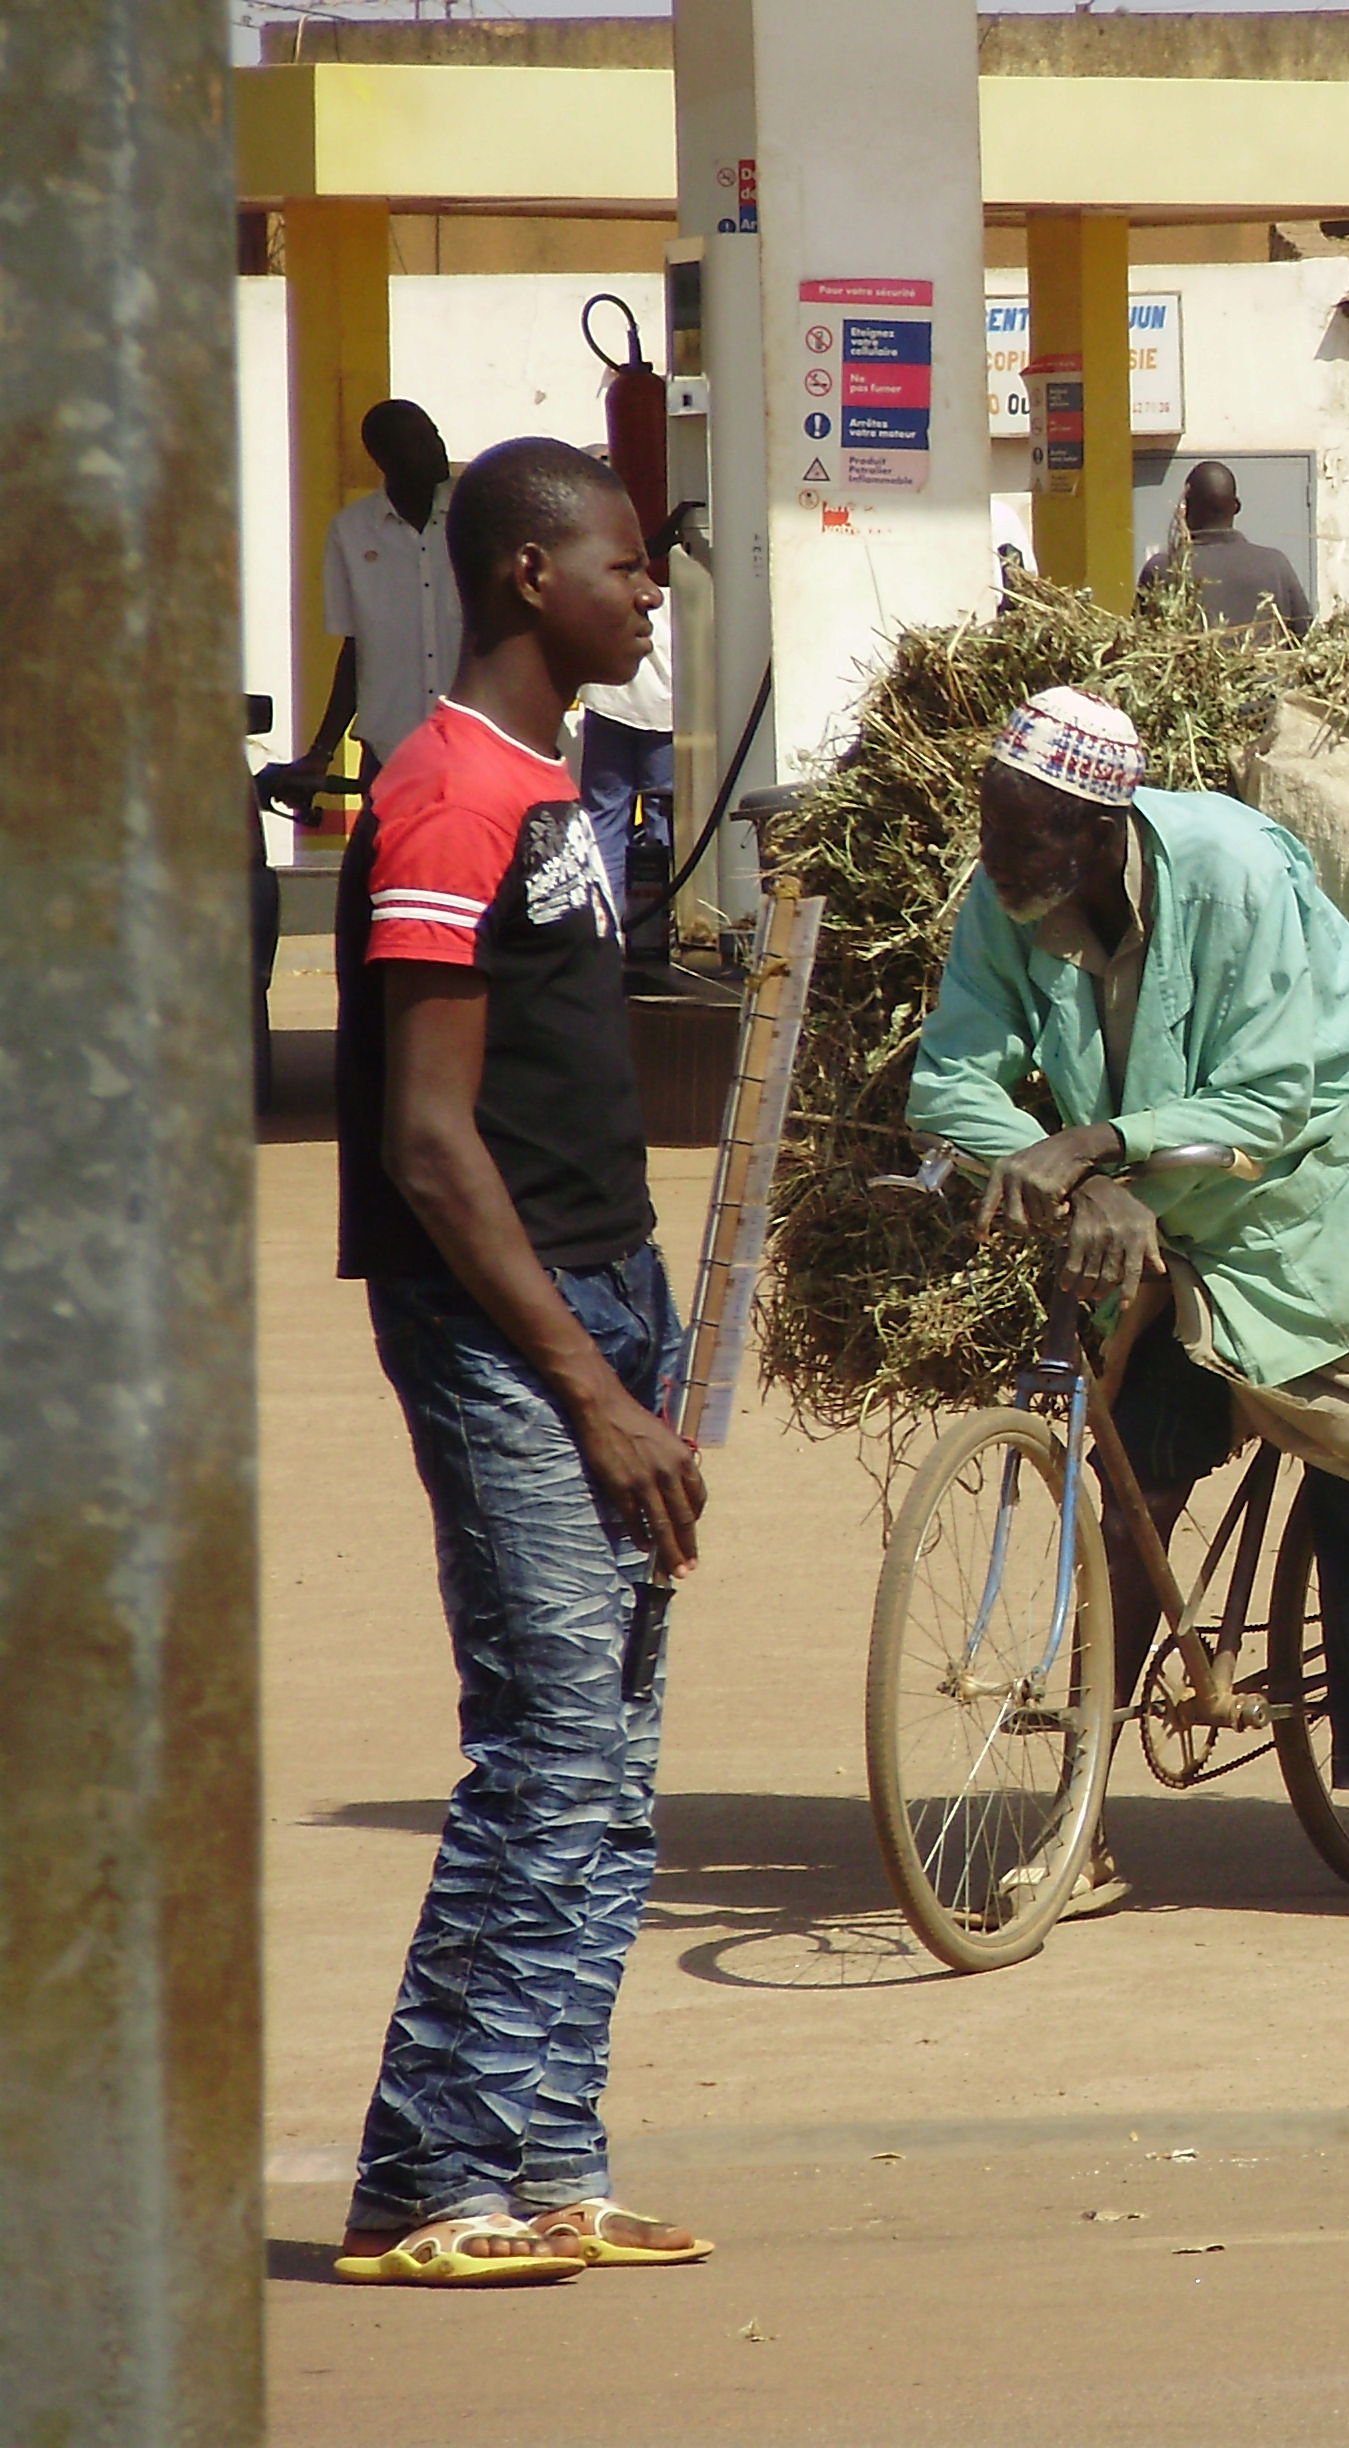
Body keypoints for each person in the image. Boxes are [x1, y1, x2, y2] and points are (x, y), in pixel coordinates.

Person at [908, 687, 1349, 1934]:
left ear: (1101, 821)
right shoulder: (1004, 899)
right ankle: (1082, 1819)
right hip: (1170, 1224)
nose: (1000, 862)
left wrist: (1097, 1144)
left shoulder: (1234, 870)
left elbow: (1279, 1092)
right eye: (992, 831)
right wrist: (1071, 1180)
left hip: (1332, 1206)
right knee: (1127, 1507)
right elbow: (951, 1077)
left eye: (1027, 838)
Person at [329, 436, 713, 2285]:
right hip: (511, 1334)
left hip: (605, 1305)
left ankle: (549, 2155)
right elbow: (428, 1137)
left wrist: (639, 1342)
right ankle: (423, 2183)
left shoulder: (556, 784)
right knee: (545, 1752)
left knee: (611, 1767)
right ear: (522, 581)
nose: (647, 591)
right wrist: (592, 1386)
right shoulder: (447, 797)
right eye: (620, 564)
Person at [265, 400, 465, 808]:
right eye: (418, 441)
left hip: (472, 747)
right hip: (391, 749)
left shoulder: (474, 518)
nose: (436, 447)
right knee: (387, 870)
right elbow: (355, 649)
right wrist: (323, 750)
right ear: (383, 457)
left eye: (434, 434)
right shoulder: (351, 531)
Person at [1137, 460, 1312, 636]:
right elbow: (1306, 637)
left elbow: (1135, 643)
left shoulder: (1163, 569)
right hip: (1265, 662)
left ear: (1185, 507)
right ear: (1236, 506)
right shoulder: (1276, 565)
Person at [574, 623, 672, 913]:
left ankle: (605, 924)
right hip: (665, 707)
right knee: (663, 820)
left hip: (607, 698)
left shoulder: (613, 578)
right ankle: (659, 925)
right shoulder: (681, 580)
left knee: (604, 819)